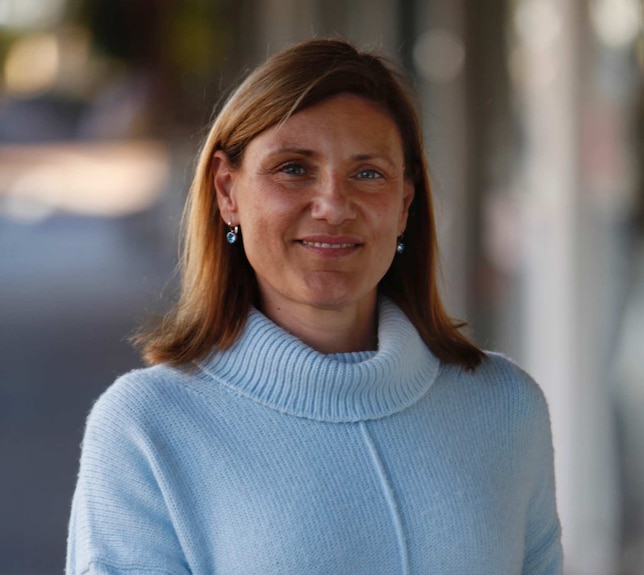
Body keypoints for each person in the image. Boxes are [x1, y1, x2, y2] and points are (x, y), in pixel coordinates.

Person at [66, 39, 562, 575]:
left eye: (368, 173)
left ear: (404, 206)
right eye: (294, 169)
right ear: (227, 191)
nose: (332, 205)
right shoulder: (148, 428)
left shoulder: (507, 409)